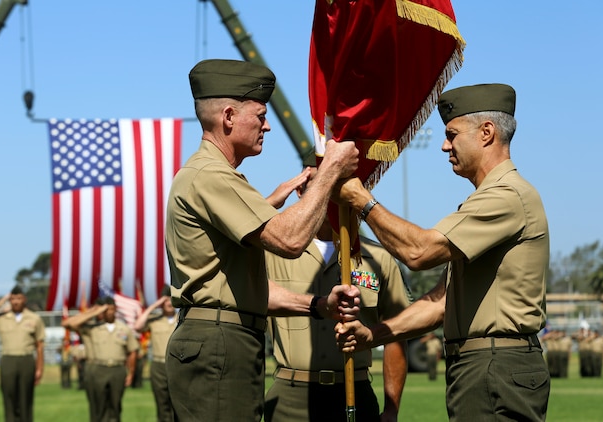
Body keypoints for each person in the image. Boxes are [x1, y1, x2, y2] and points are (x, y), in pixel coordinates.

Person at [334, 83, 551, 421]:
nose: (444, 145)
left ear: (486, 133)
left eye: (452, 134)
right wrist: (372, 336)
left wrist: (362, 201)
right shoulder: (487, 200)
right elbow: (440, 303)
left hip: (496, 366)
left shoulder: (507, 196)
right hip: (481, 366)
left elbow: (418, 252)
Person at [164, 58, 360, 421]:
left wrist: (318, 305)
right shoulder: (212, 175)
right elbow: (289, 239)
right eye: (259, 115)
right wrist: (330, 171)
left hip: (221, 338)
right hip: (220, 342)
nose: (267, 126)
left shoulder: (211, 174)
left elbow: (246, 290)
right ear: (228, 117)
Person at [263, 162, 411, 422]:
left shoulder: (378, 258)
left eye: (340, 186)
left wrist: (392, 409)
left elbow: (397, 333)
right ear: (301, 190)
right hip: (291, 397)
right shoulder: (272, 253)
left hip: (355, 391)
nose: (332, 195)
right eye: (323, 184)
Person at [62, 297, 139, 421]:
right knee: (98, 406)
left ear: (116, 310)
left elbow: (132, 351)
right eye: (106, 310)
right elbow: (68, 324)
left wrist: (131, 373)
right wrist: (94, 311)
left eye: (111, 309)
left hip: (117, 369)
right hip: (97, 369)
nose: (109, 312)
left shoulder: (124, 328)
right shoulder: (92, 327)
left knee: (115, 406)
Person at [0, 286, 45, 422]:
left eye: (18, 298)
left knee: (26, 398)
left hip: (26, 360)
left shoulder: (34, 318)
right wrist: (1, 302)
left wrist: (40, 368)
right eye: (12, 299)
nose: (16, 302)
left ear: (25, 299)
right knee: (9, 397)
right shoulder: (1, 318)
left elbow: (40, 346)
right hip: (8, 360)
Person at [134, 285, 177, 422]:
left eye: (171, 300)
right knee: (161, 403)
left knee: (178, 404)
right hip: (159, 366)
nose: (169, 303)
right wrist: (154, 306)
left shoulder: (182, 319)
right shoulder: (154, 320)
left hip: (177, 365)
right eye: (165, 300)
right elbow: (138, 326)